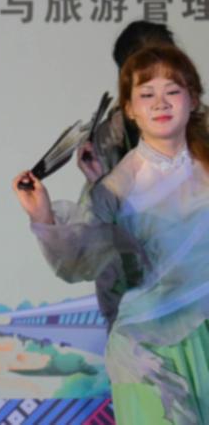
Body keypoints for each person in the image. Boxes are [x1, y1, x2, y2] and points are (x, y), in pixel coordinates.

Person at [13, 45, 209, 424]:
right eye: (146, 94)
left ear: (193, 99)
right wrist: (43, 215)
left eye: (172, 90)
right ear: (129, 109)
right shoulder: (117, 186)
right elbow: (78, 261)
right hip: (146, 350)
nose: (160, 102)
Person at [76, 21, 175, 326]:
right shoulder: (107, 141)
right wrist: (98, 185)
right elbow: (86, 244)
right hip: (131, 305)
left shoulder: (203, 131)